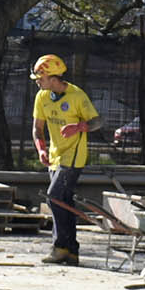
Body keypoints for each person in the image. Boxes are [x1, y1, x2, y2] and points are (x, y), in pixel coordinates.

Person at [29, 52, 96, 267]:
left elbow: (97, 121)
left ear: (53, 78)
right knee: (64, 203)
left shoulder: (77, 96)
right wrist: (41, 149)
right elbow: (37, 129)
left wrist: (79, 126)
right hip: (55, 156)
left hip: (74, 156)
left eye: (41, 78)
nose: (38, 81)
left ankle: (59, 247)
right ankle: (71, 251)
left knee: (53, 197)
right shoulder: (42, 97)